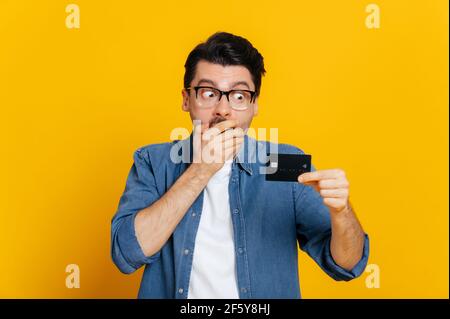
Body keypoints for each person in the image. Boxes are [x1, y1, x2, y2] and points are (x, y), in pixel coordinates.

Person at [111, 32, 369, 299]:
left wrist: (342, 213)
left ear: (254, 104)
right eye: (209, 93)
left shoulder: (283, 164)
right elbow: (127, 253)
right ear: (186, 99)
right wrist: (200, 170)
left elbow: (347, 265)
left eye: (238, 96)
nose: (222, 110)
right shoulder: (154, 162)